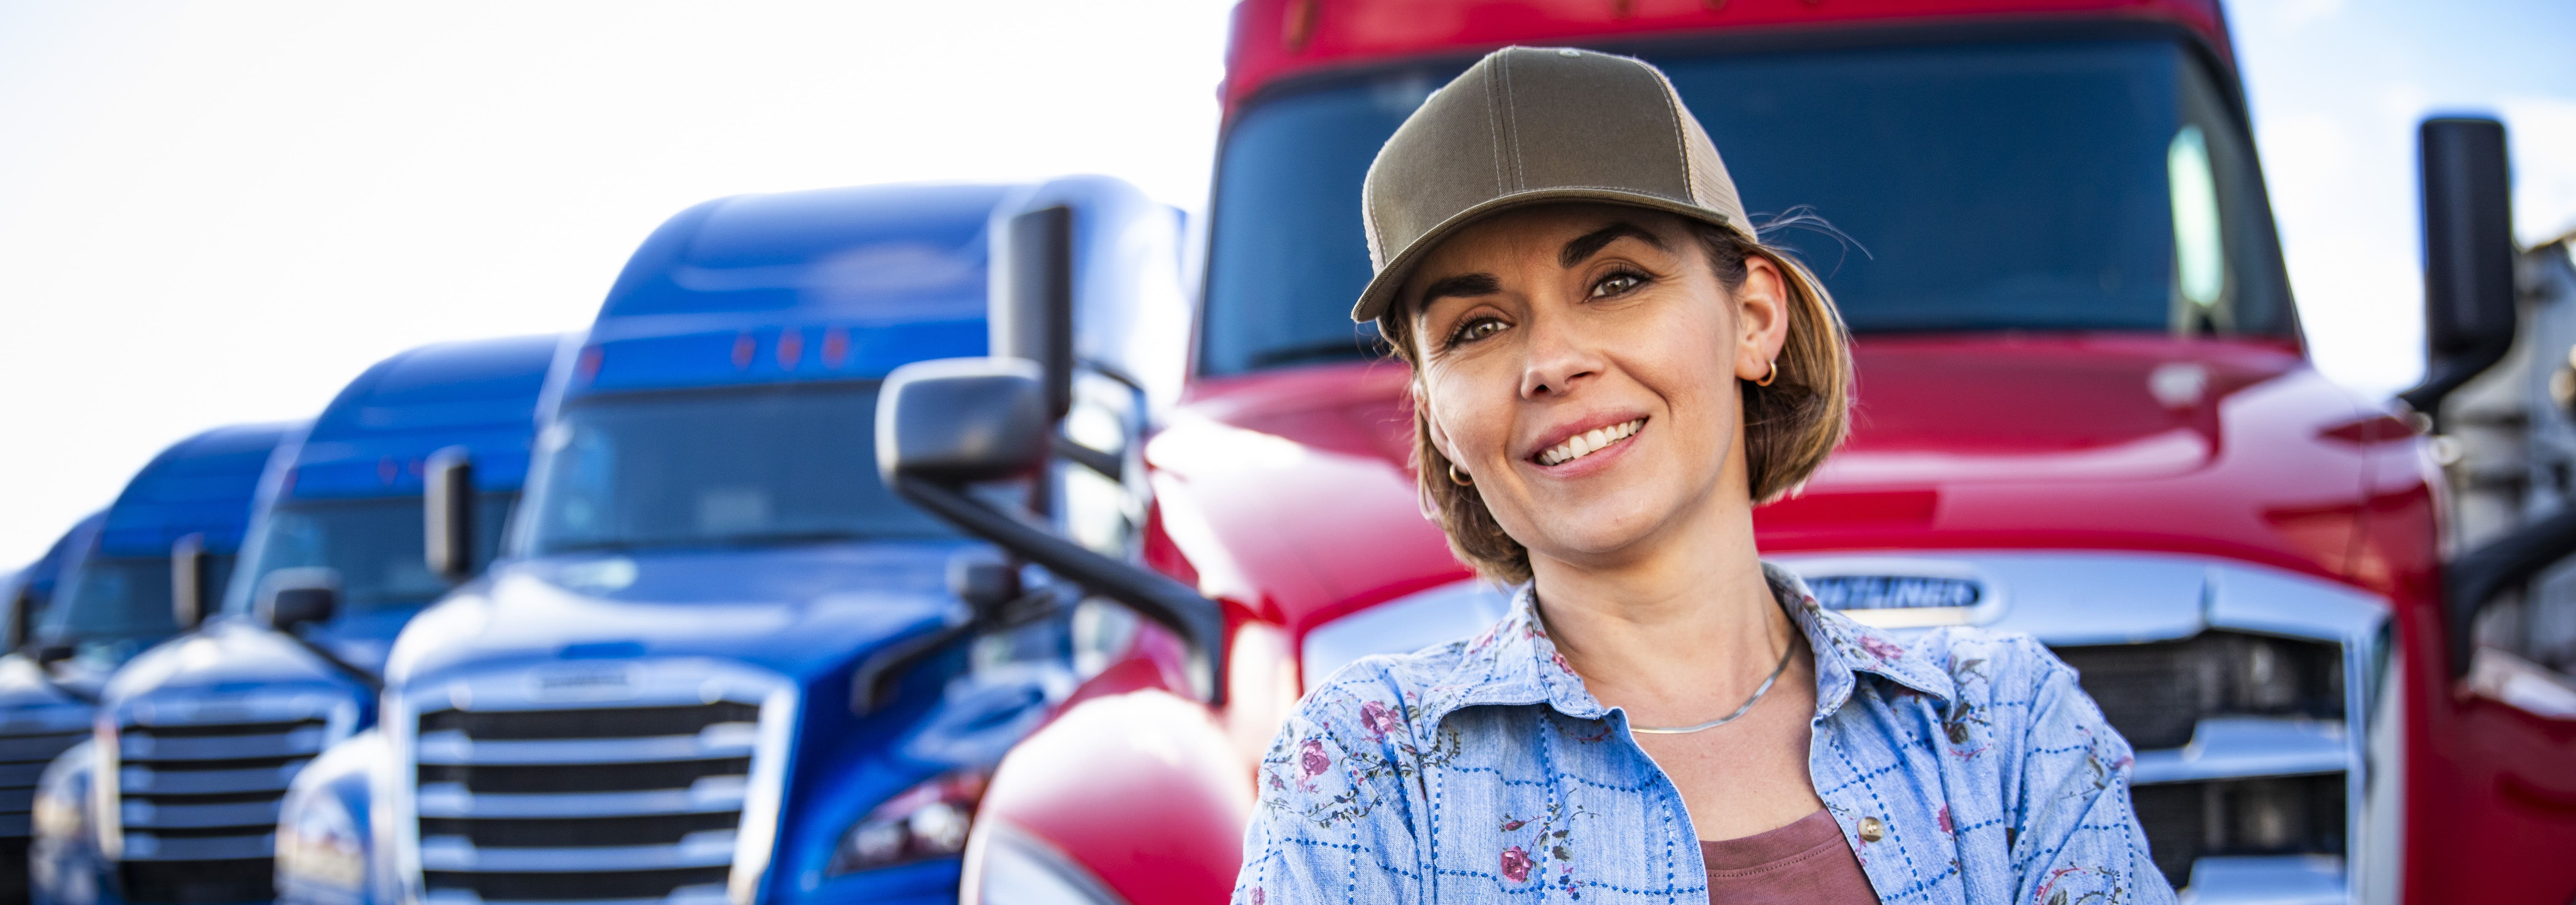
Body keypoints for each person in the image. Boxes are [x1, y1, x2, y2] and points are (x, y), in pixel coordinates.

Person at [1231, 46, 2170, 905]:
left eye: (1616, 282)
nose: (1551, 362)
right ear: (1437, 413)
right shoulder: (1364, 771)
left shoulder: (2007, 730)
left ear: (1754, 317)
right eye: (1476, 328)